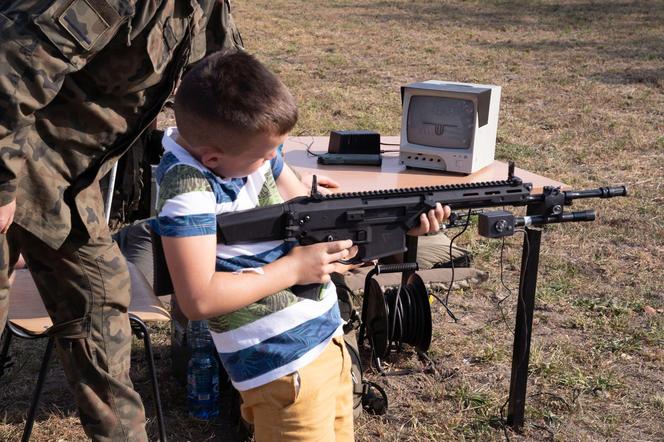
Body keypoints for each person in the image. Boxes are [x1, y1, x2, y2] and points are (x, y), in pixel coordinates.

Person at [151, 48, 450, 441]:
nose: (276, 158)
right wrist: (294, 269)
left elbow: (312, 229)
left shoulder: (247, 154)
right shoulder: (188, 189)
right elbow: (197, 300)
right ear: (212, 158)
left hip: (327, 343)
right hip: (282, 373)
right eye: (266, 154)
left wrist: (398, 228)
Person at [0, 1, 242, 440]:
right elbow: (8, 66)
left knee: (101, 305)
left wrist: (275, 164)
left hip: (59, 174)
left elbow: (229, 84)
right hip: (5, 154)